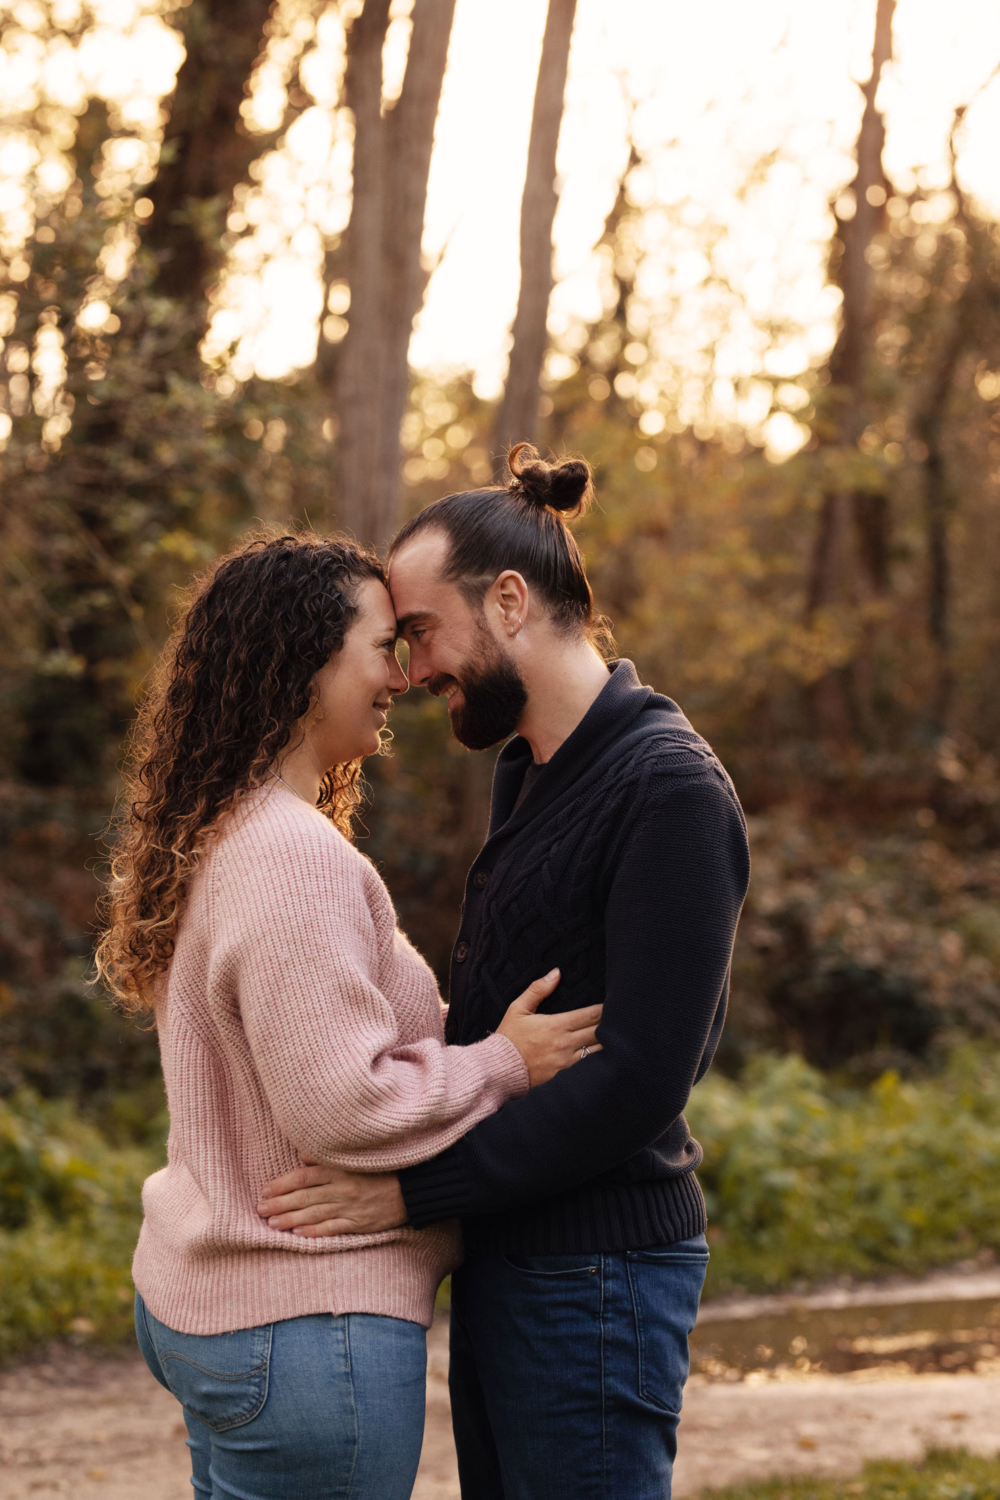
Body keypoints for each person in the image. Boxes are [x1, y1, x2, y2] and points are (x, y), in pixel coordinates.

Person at [257, 447, 751, 1500]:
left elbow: (638, 1081)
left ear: (512, 601)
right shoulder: (529, 770)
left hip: (599, 1276)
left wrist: (408, 1192)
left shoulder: (668, 791)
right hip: (512, 1257)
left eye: (421, 632)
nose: (409, 668)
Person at [95, 531, 602, 1500]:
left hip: (235, 1308)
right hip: (304, 1323)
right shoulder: (290, 857)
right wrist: (503, 1062)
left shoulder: (224, 830)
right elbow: (343, 1101)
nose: (403, 677)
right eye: (382, 647)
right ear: (303, 664)